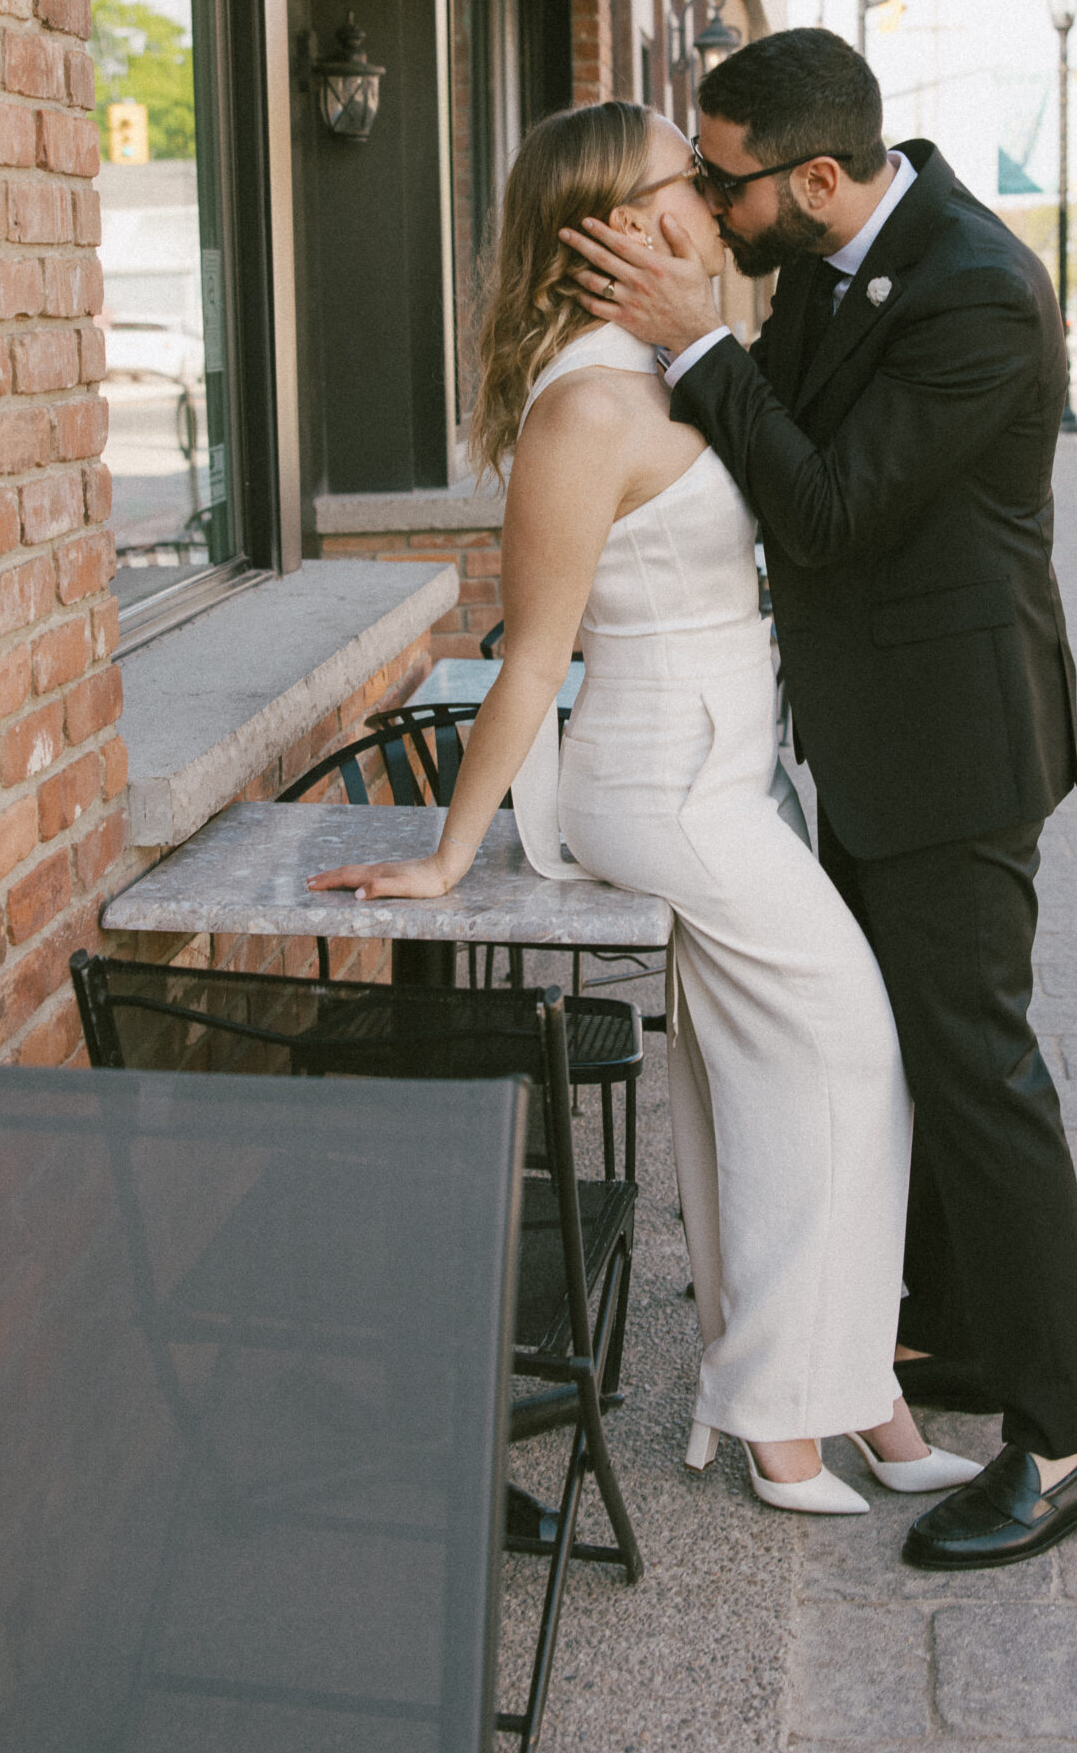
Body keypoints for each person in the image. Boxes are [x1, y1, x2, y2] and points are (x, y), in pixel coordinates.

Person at [307, 99, 978, 1517]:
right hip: (662, 788)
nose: (715, 204)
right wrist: (446, 855)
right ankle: (784, 1409)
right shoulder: (586, 410)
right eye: (686, 182)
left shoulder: (671, 369)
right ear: (604, 223)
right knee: (856, 1056)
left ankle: (850, 1396)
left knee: (760, 1077)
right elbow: (534, 655)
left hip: (730, 778)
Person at [561, 32, 1077, 1572]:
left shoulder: (974, 293)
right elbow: (768, 460)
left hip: (956, 747)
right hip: (863, 741)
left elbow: (820, 509)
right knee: (897, 1056)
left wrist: (695, 344)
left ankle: (1075, 1434)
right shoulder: (826, 259)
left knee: (976, 1071)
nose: (701, 194)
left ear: (815, 178)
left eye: (717, 175)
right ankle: (945, 1339)